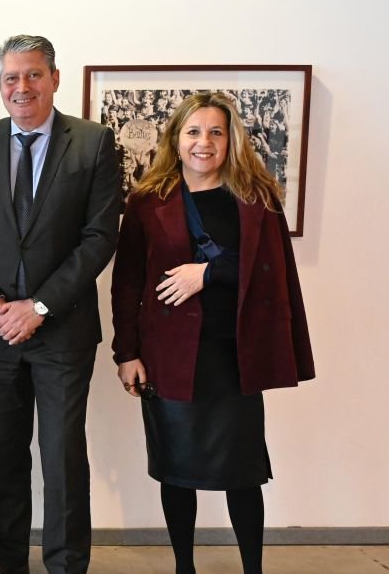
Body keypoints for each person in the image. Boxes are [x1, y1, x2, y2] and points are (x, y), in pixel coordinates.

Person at [110, 91, 314, 574]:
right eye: (194, 131)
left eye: (216, 132)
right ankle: (185, 567)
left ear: (231, 140)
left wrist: (207, 273)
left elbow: (273, 268)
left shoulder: (257, 197)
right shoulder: (146, 202)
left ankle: (253, 569)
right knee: (176, 471)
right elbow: (127, 284)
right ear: (176, 139)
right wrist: (127, 353)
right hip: (170, 355)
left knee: (243, 473)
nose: (205, 142)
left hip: (233, 356)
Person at [0, 34, 120, 574]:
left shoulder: (92, 143)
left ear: (55, 79)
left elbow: (99, 237)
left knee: (62, 457)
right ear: (0, 86)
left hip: (62, 333)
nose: (22, 87)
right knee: (5, 452)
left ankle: (66, 563)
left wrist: (38, 306)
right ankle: (10, 556)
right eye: (11, 78)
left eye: (33, 75)